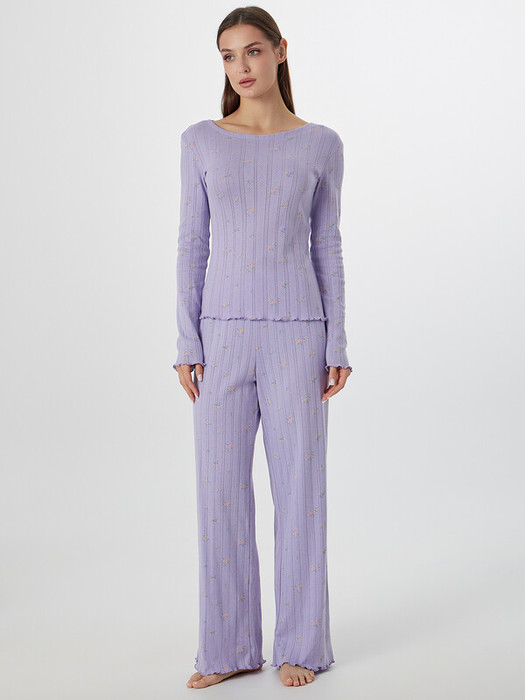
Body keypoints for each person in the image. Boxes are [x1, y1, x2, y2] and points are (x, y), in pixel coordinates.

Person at [173, 6, 353, 690]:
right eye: (227, 56)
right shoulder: (200, 141)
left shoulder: (320, 144)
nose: (240, 67)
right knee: (219, 496)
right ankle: (228, 649)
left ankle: (302, 643)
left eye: (251, 51)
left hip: (297, 338)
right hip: (220, 339)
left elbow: (327, 245)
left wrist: (337, 339)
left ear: (280, 51)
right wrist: (186, 338)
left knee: (300, 494)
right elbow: (191, 243)